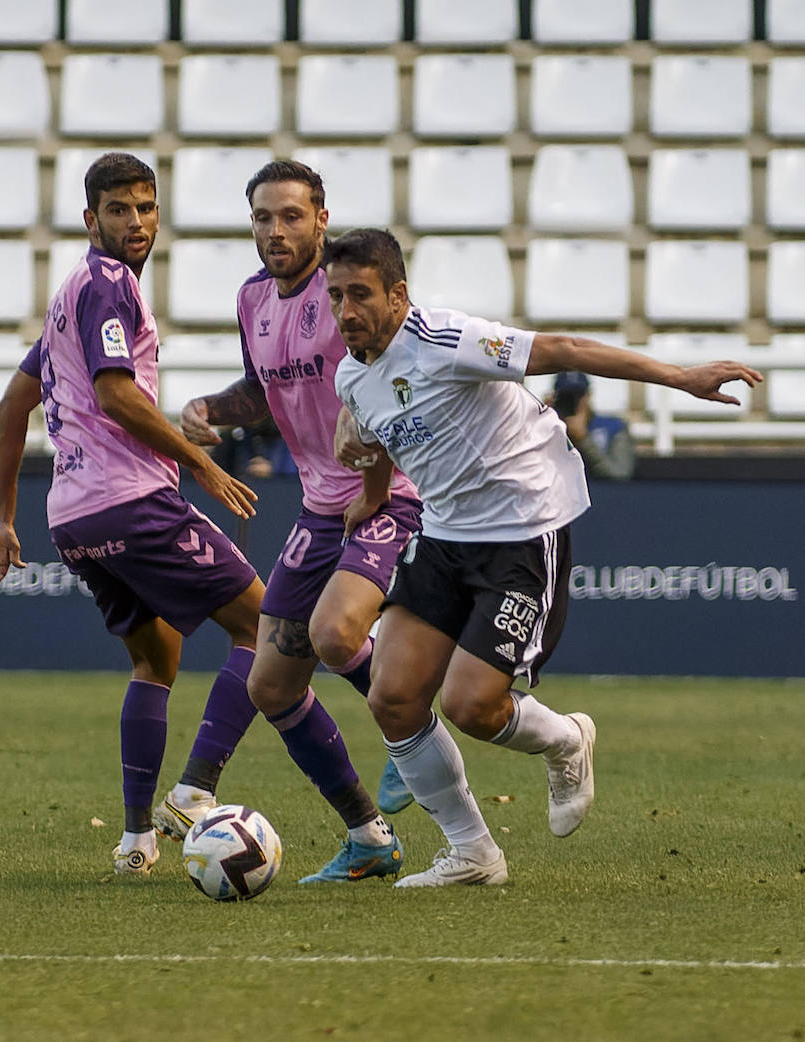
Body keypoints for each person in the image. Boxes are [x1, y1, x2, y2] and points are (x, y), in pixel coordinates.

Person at [325, 228, 762, 887]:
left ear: (398, 294)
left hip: (524, 524)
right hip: (445, 532)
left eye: (359, 294)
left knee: (472, 706)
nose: (345, 311)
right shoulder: (352, 374)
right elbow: (383, 434)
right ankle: (473, 853)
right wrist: (374, 494)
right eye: (335, 297)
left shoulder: (447, 341)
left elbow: (563, 349)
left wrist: (678, 377)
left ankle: (566, 740)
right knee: (392, 697)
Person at [0, 152, 265, 876]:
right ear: (89, 218)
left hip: (74, 517)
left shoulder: (70, 294)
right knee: (269, 628)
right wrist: (199, 462)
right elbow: (115, 394)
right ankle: (196, 793)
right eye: (119, 210)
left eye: (146, 207)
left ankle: (135, 841)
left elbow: (13, 404)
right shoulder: (106, 287)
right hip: (132, 501)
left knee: (155, 659)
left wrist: (2, 515)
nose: (135, 222)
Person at [162, 160, 424, 885]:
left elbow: (394, 377)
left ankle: (414, 735)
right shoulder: (252, 300)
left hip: (390, 492)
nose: (276, 231)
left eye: (291, 216)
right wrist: (209, 410)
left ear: (321, 220)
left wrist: (373, 472)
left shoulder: (348, 293)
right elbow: (265, 389)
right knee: (271, 686)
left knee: (337, 634)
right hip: (317, 506)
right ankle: (369, 837)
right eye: (262, 218)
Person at [550, 370, 635, 480]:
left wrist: (584, 439)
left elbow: (620, 474)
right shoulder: (549, 429)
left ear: (588, 395)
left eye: (578, 396)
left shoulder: (614, 428)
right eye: (565, 397)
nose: (571, 402)